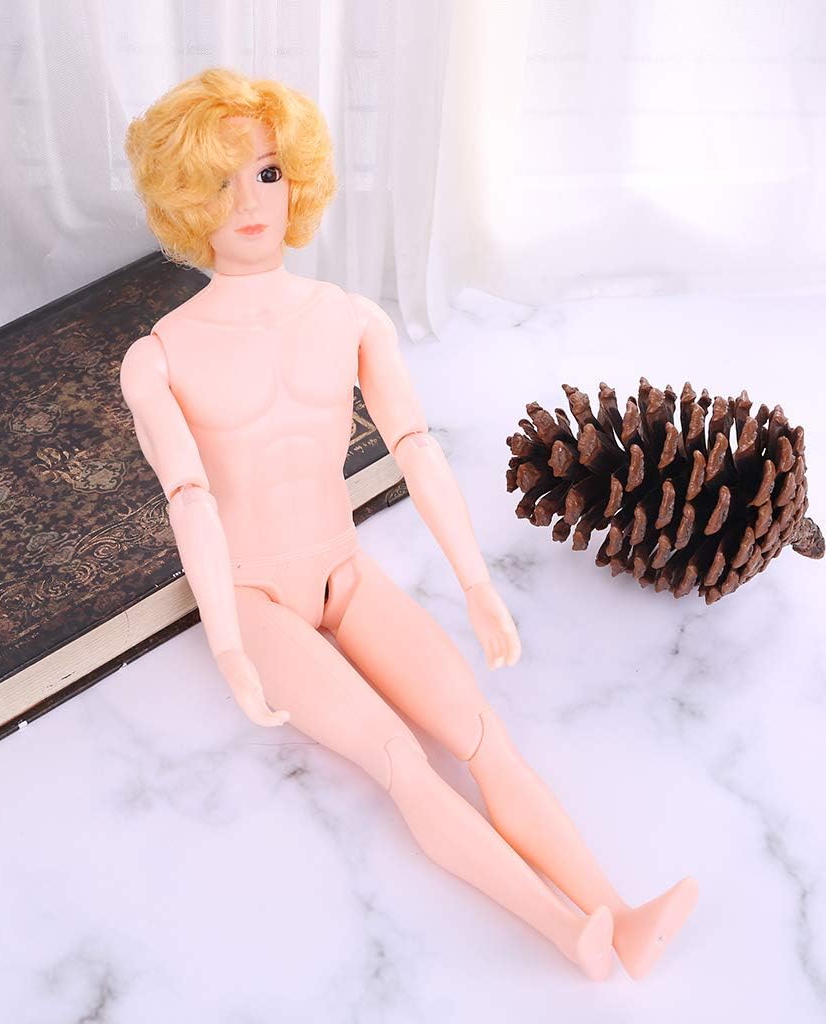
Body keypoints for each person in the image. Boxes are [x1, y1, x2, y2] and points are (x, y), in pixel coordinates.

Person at [120, 67, 697, 981]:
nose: (251, 201)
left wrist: (476, 583)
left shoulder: (348, 317)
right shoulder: (159, 356)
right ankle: (564, 931)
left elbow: (415, 446)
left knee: (478, 732)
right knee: (399, 759)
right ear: (185, 199)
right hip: (254, 594)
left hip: (345, 572)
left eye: (267, 172)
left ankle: (620, 916)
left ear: (298, 177)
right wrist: (229, 645)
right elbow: (187, 498)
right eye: (221, 181)